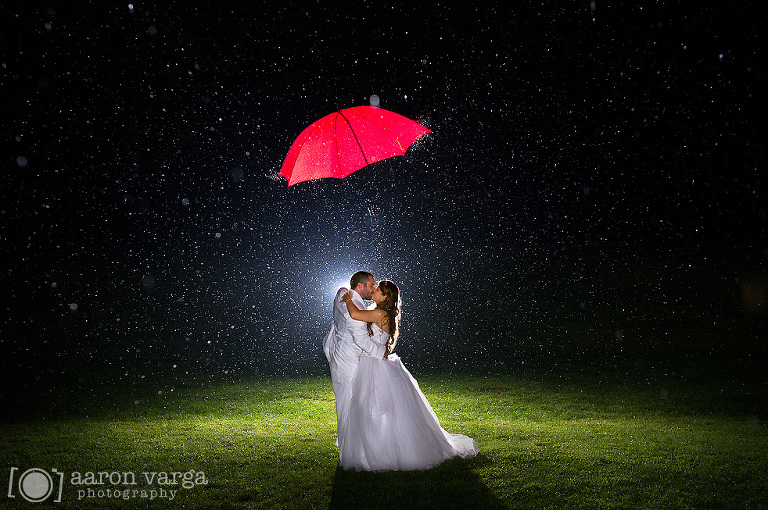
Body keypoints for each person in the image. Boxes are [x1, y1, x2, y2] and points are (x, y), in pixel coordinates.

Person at [339, 280, 479, 471]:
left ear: (386, 296)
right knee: (375, 408)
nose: (374, 291)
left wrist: (348, 300)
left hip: (375, 366)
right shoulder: (382, 312)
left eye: (378, 290)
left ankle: (384, 453)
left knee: (375, 407)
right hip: (375, 362)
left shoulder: (380, 313)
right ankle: (375, 449)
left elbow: (355, 315)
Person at [322, 271, 387, 464]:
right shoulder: (348, 298)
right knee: (346, 405)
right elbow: (359, 336)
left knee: (357, 406)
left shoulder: (347, 296)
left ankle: (358, 448)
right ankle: (348, 455)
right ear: (361, 286)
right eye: (371, 285)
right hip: (346, 361)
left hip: (354, 361)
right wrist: (380, 353)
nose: (373, 289)